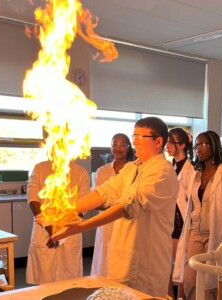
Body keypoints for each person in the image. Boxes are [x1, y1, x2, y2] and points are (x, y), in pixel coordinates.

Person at [51, 117, 179, 298]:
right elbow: (105, 191)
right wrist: (67, 210)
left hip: (147, 261)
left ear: (158, 141)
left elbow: (127, 205)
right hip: (125, 255)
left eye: (140, 137)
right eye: (134, 135)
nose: (134, 141)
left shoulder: (162, 171)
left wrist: (82, 226)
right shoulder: (133, 167)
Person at [173, 130, 222, 300]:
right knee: (190, 279)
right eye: (197, 145)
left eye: (203, 144)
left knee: (211, 282)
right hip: (194, 233)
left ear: (214, 146)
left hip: (216, 233)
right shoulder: (195, 173)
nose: (198, 149)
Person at [26, 160, 90, 284]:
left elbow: (84, 203)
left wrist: (61, 230)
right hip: (44, 230)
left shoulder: (81, 173)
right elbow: (32, 198)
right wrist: (49, 227)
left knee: (69, 281)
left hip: (70, 230)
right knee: (43, 280)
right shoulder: (40, 168)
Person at [91, 133, 134, 276]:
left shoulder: (134, 170)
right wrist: (120, 206)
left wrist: (116, 205)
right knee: (104, 262)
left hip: (127, 223)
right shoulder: (102, 171)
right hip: (106, 225)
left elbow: (133, 200)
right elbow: (97, 201)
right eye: (115, 144)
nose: (118, 148)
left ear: (128, 148)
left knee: (124, 266)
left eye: (123, 145)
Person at [165, 128, 194, 300]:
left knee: (181, 265)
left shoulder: (192, 170)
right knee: (164, 265)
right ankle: (168, 295)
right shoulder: (170, 167)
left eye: (171, 142)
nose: (167, 146)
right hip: (166, 222)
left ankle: (181, 297)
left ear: (182, 145)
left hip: (181, 224)